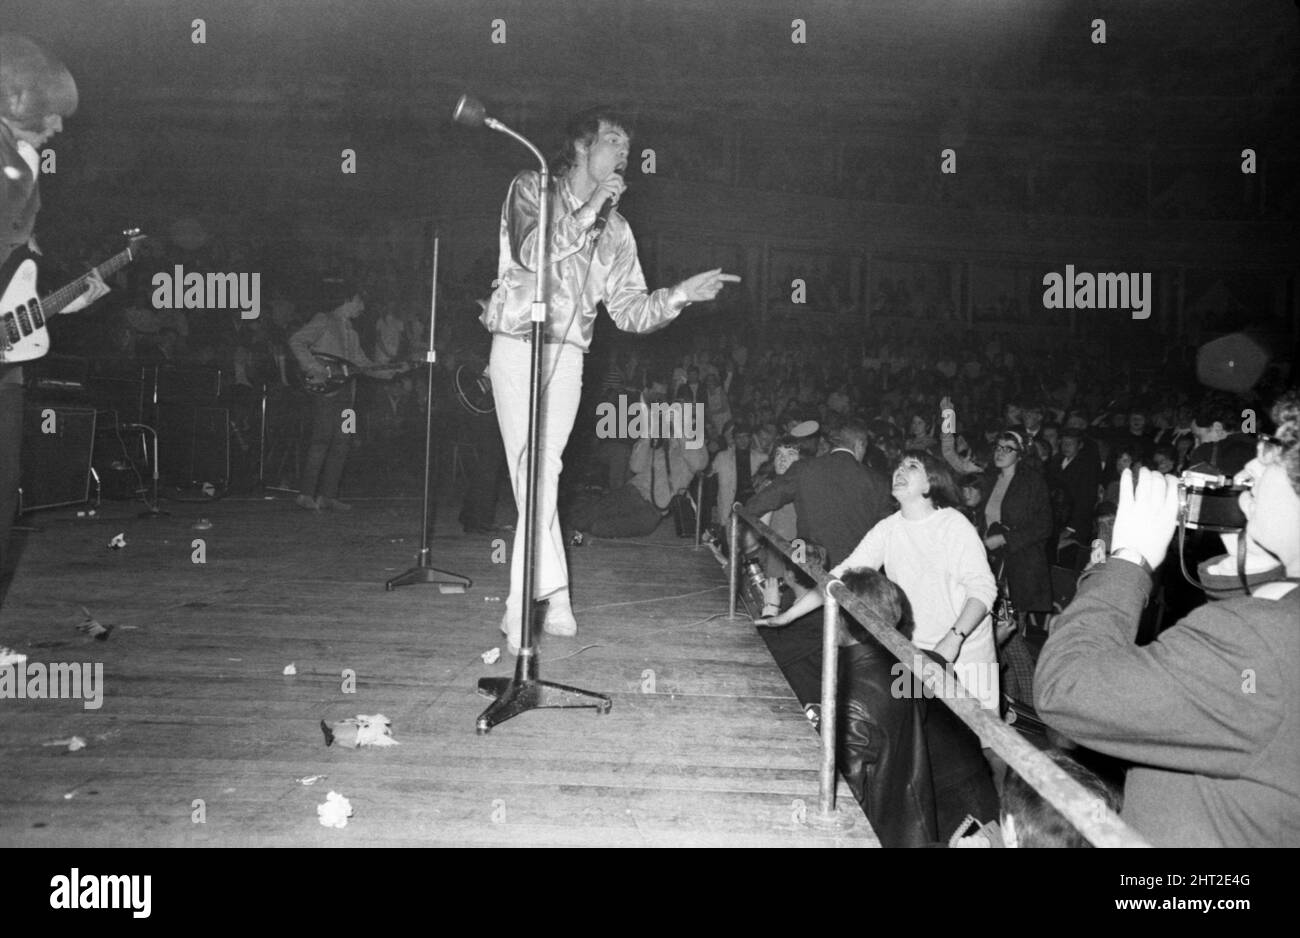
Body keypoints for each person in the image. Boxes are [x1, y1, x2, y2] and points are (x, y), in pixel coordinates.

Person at [480, 105, 739, 651]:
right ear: (581, 146)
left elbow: (630, 312)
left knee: (542, 470)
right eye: (614, 140)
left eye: (627, 145)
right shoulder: (532, 187)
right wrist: (592, 206)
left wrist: (679, 296)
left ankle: (525, 599)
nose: (625, 152)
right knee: (534, 473)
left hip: (568, 355)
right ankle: (553, 598)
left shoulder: (618, 232)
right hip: (515, 345)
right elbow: (532, 252)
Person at [1035, 389, 1300, 847]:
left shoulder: (1260, 642)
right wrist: (1245, 561)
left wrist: (1128, 560)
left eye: (1276, 450)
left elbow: (1066, 687)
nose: (1252, 467)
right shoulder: (1276, 616)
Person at [762, 450, 1000, 711]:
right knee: (924, 735)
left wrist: (953, 640)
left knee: (982, 741)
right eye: (899, 465)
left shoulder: (954, 524)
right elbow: (839, 576)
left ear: (931, 482)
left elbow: (984, 589)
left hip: (966, 651)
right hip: (913, 648)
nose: (900, 470)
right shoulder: (889, 527)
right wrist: (788, 616)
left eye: (912, 466)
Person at [1, 35, 108, 575]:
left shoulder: (25, 166)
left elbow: (16, 269)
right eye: (53, 113)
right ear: (15, 99)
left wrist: (56, 303)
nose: (60, 127)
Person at [288, 281, 378, 511]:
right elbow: (297, 341)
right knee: (321, 439)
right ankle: (306, 494)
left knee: (343, 442)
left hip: (348, 394)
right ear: (348, 299)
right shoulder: (324, 320)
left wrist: (390, 369)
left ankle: (328, 495)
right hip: (327, 392)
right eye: (359, 302)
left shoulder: (353, 334)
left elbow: (363, 363)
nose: (362, 308)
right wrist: (313, 367)